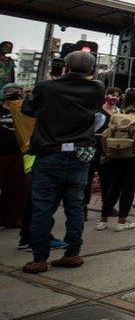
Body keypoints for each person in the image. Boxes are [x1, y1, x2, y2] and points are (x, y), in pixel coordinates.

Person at [21, 51, 104, 273]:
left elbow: (27, 109)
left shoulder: (47, 87)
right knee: (75, 205)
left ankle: (39, 258)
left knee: (42, 207)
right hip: (79, 154)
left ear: (65, 66)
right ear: (91, 70)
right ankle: (72, 253)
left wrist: (51, 81)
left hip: (50, 152)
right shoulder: (96, 88)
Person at [96, 88, 135, 232]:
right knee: (129, 188)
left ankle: (103, 220)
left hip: (115, 152)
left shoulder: (119, 113)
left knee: (114, 187)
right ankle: (122, 221)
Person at [84, 87, 119, 218]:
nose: (114, 97)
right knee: (87, 178)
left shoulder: (119, 112)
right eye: (112, 94)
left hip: (109, 148)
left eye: (117, 95)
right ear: (105, 96)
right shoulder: (97, 112)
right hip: (94, 146)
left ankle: (108, 206)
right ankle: (83, 207)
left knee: (108, 179)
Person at [1, 83, 28, 228]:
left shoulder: (24, 111)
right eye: (10, 93)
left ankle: (12, 218)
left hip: (18, 154)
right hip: (2, 153)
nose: (14, 95)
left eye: (18, 92)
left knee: (16, 188)